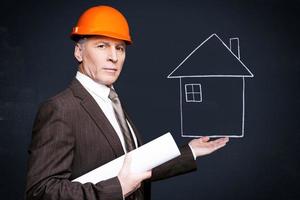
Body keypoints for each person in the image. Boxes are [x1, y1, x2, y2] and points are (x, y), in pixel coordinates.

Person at [25, 5, 229, 200]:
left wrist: (190, 151)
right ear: (79, 52)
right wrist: (117, 189)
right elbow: (41, 192)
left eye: (120, 48)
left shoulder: (111, 102)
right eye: (102, 46)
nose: (113, 57)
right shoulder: (60, 109)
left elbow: (133, 166)